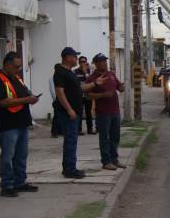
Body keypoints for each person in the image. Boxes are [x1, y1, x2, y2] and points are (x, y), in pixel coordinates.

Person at [0, 52, 39, 198]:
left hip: (22, 123)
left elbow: (24, 94)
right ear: (7, 64)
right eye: (16, 66)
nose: (18, 69)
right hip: (8, 124)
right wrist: (26, 100)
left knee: (21, 155)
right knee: (8, 155)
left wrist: (32, 98)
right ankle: (7, 185)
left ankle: (20, 182)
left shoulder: (17, 79)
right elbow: (2, 102)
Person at [53, 47, 103, 179]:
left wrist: (95, 83)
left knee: (72, 140)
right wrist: (69, 109)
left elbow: (80, 88)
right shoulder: (60, 72)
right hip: (68, 113)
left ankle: (70, 167)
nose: (76, 59)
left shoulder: (70, 73)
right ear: (68, 57)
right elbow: (60, 92)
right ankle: (69, 169)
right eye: (75, 56)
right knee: (70, 140)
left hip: (75, 112)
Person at [87, 53, 125, 171]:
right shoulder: (93, 78)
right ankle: (106, 161)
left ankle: (115, 159)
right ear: (96, 63)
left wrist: (122, 86)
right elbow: (88, 95)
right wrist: (103, 94)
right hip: (103, 112)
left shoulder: (111, 74)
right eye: (102, 61)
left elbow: (119, 87)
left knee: (115, 136)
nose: (105, 63)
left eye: (105, 61)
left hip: (115, 110)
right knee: (105, 137)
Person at [74, 56, 95, 135]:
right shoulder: (75, 71)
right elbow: (76, 83)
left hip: (87, 95)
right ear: (79, 63)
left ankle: (90, 129)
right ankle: (79, 129)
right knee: (79, 112)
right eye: (81, 62)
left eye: (84, 61)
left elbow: (90, 81)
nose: (82, 63)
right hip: (79, 95)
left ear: (86, 62)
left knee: (88, 113)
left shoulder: (89, 71)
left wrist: (85, 72)